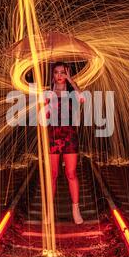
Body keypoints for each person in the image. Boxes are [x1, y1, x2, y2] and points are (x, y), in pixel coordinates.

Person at [46, 61, 85, 224]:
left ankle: (76, 210)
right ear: (53, 75)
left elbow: (83, 98)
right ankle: (49, 211)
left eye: (63, 72)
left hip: (69, 136)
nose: (60, 75)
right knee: (52, 175)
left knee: (71, 173)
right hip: (53, 136)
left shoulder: (72, 92)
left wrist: (71, 80)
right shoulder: (47, 93)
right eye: (57, 72)